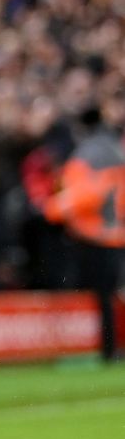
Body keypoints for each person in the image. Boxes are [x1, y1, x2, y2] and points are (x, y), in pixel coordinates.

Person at [43, 106, 125, 361]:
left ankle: (109, 350)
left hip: (95, 236)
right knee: (116, 294)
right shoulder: (116, 151)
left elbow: (82, 197)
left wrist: (52, 207)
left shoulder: (88, 154)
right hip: (118, 234)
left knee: (104, 296)